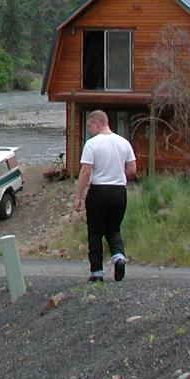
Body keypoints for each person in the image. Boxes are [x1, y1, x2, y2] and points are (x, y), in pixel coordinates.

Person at [72, 110, 136, 282]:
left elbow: (85, 172)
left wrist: (78, 195)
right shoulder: (124, 143)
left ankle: (97, 272)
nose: (89, 130)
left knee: (95, 231)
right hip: (119, 191)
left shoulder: (92, 144)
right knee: (114, 228)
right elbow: (132, 170)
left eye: (90, 126)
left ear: (98, 123)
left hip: (99, 190)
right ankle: (119, 257)